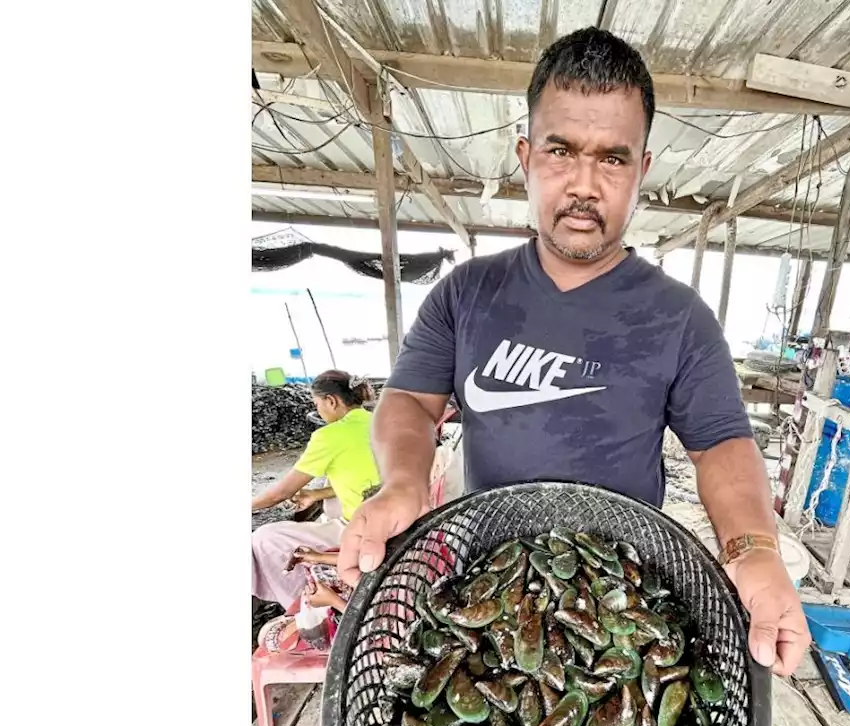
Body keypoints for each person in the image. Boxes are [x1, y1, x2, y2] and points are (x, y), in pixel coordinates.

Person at [335, 27, 811, 678]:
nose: (585, 184)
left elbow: (721, 444)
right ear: (526, 156)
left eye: (613, 159)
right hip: (490, 588)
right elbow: (413, 401)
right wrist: (402, 482)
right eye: (561, 152)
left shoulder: (679, 318)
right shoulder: (467, 292)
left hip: (622, 603)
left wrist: (755, 549)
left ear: (641, 170)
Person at [251, 370, 380, 610]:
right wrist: (315, 495)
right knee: (328, 503)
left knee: (263, 538)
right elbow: (368, 479)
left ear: (331, 401)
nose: (318, 410)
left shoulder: (329, 435)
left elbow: (280, 494)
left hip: (364, 530)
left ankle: (301, 602)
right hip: (389, 517)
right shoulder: (378, 421)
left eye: (317, 404)